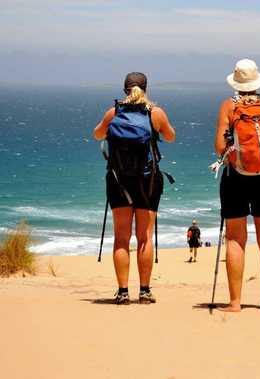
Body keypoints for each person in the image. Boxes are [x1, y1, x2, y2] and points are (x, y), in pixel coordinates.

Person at [93, 72, 176, 305]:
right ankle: (145, 291)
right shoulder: (155, 113)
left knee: (121, 238)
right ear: (146, 89)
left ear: (125, 90)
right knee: (144, 238)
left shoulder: (114, 113)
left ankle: (122, 292)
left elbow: (97, 134)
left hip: (119, 180)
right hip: (147, 181)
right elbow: (170, 137)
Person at [214, 59, 260, 312]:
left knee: (235, 239)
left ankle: (235, 303)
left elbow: (220, 147)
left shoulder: (229, 106)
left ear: (236, 83)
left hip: (236, 177)